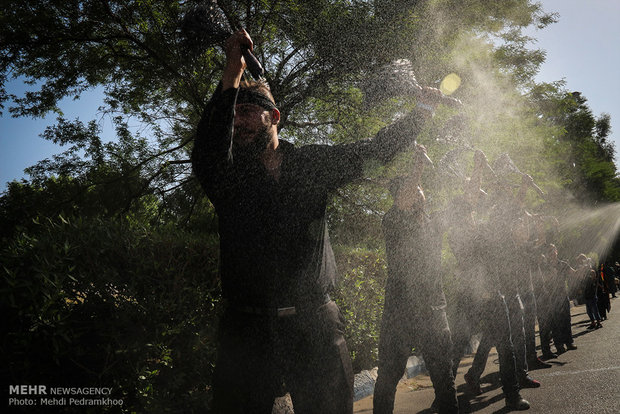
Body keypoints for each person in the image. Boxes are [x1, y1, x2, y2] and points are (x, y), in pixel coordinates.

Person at [191, 29, 458, 414]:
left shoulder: (312, 165)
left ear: (274, 116)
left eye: (247, 111)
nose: (237, 122)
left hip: (315, 325)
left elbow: (374, 151)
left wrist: (421, 112)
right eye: (232, 114)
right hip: (245, 330)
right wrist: (231, 75)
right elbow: (207, 147)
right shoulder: (228, 176)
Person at [373, 145, 458, 414]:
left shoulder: (433, 222)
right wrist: (418, 166)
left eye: (421, 189)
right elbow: (408, 193)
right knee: (387, 379)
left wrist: (477, 171)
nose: (420, 193)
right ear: (401, 197)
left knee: (444, 377)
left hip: (434, 311)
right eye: (414, 189)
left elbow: (465, 204)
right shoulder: (393, 221)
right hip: (399, 314)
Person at [447, 153, 530, 411]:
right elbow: (471, 196)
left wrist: (519, 188)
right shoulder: (458, 220)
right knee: (458, 345)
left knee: (506, 346)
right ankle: (443, 395)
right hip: (469, 295)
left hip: (494, 294)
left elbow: (510, 212)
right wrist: (478, 167)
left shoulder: (486, 227)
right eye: (476, 194)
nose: (481, 198)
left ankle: (512, 395)